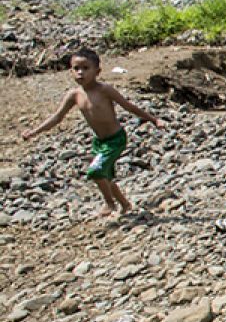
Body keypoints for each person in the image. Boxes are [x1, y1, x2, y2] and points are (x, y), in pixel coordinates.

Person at [20, 48, 164, 215]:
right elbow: (57, 117)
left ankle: (110, 204)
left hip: (115, 139)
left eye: (86, 68)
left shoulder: (105, 90)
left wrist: (154, 120)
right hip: (99, 142)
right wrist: (34, 132)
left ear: (97, 71)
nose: (80, 73)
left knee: (95, 171)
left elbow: (129, 106)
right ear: (71, 71)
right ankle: (125, 204)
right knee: (106, 177)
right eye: (76, 69)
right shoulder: (74, 95)